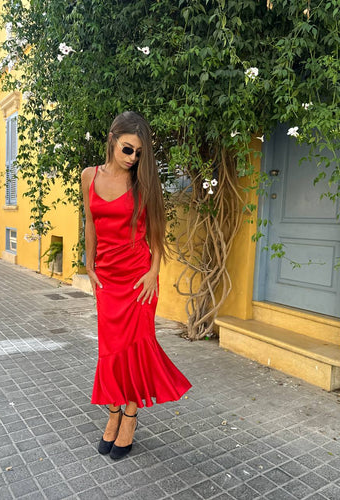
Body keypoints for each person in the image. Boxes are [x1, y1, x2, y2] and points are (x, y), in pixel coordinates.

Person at [81, 111, 192, 460]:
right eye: (128, 149)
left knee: (134, 349)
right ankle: (113, 412)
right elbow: (90, 223)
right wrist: (88, 261)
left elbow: (156, 231)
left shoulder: (142, 182)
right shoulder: (89, 176)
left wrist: (152, 271)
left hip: (139, 278)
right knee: (110, 350)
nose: (132, 158)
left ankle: (129, 416)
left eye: (139, 153)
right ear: (113, 138)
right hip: (107, 277)